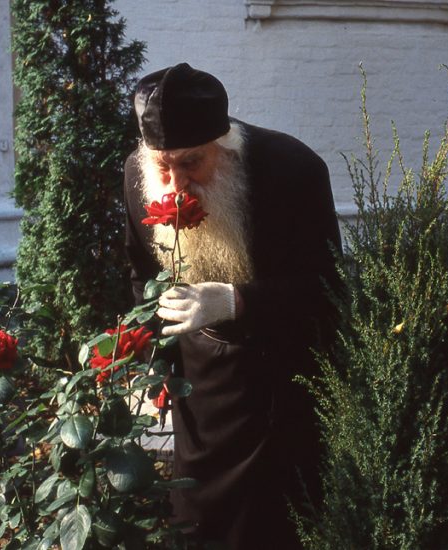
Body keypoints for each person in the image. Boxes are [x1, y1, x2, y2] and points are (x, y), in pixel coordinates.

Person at [123, 62, 342, 549]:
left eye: (192, 163)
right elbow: (142, 273)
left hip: (279, 383)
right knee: (197, 519)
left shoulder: (293, 170)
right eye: (164, 164)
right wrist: (154, 360)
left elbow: (328, 290)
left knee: (271, 525)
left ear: (225, 148)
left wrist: (237, 300)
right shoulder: (138, 175)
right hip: (198, 392)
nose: (176, 185)